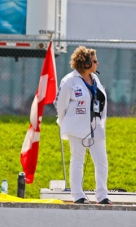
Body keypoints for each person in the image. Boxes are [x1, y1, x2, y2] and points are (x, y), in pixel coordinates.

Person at [54, 46, 111, 205]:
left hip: (96, 126)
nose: (97, 64)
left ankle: (102, 195)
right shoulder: (69, 80)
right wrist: (66, 122)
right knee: (77, 160)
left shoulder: (95, 79)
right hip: (77, 127)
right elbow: (60, 105)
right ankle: (78, 195)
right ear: (85, 64)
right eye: (94, 61)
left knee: (101, 161)